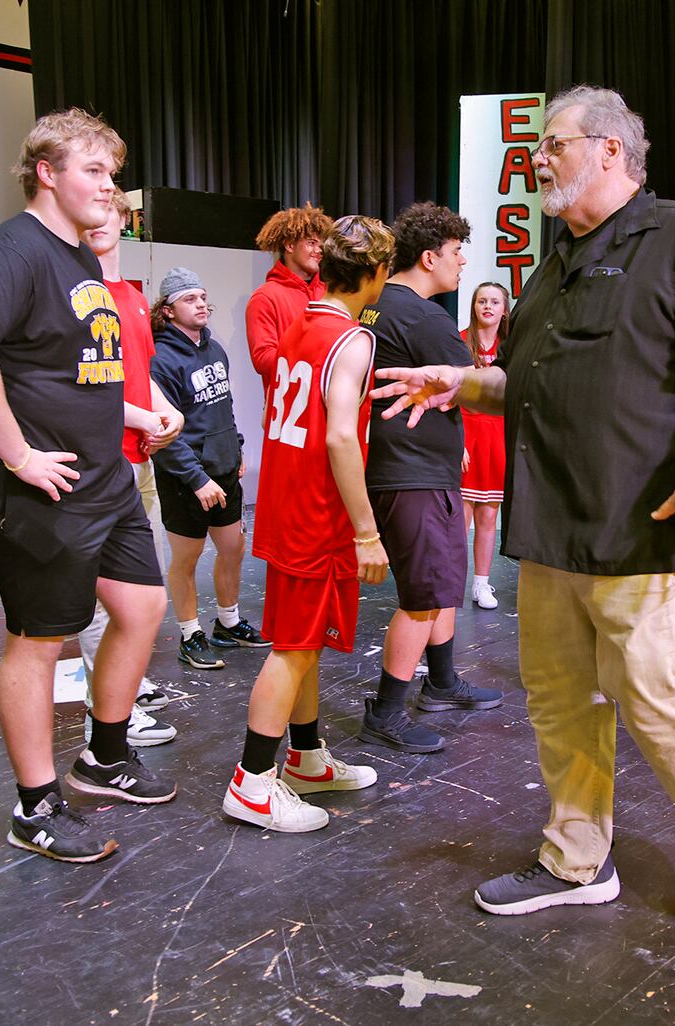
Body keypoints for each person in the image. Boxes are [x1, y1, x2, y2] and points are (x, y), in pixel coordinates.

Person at [374, 86, 675, 915]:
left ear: (610, 151)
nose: (540, 159)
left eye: (554, 144)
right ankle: (577, 857)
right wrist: (462, 382)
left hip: (636, 518)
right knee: (559, 695)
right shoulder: (554, 265)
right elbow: (521, 383)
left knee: (642, 682)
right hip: (549, 523)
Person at [0, 109, 175, 866]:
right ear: (47, 171)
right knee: (37, 642)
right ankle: (34, 806)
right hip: (48, 487)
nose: (111, 187)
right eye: (95, 171)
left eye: (112, 172)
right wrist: (18, 457)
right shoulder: (17, 248)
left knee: (142, 606)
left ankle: (102, 756)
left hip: (104, 477)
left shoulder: (81, 260)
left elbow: (64, 370)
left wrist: (137, 410)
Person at [222, 215, 394, 833]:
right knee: (293, 648)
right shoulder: (353, 339)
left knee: (306, 640)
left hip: (285, 499)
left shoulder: (298, 316)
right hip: (317, 512)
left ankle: (306, 757)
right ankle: (251, 784)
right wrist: (367, 530)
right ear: (375, 274)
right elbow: (343, 435)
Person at [359, 203, 502, 756]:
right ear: (428, 256)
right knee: (422, 595)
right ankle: (387, 712)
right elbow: (479, 385)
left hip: (411, 466)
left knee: (439, 582)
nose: (463, 263)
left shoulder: (376, 307)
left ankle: (441, 682)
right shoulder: (424, 316)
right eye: (456, 252)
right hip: (412, 472)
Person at [76, 188, 184, 743]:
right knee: (107, 596)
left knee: (141, 588)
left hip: (138, 462)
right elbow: (80, 387)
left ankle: (123, 684)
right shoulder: (75, 297)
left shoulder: (134, 298)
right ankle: (106, 710)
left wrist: (167, 415)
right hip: (98, 463)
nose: (99, 221)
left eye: (110, 212)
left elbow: (140, 374)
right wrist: (146, 417)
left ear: (125, 220)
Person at [149, 267, 269, 670]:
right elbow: (163, 433)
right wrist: (197, 478)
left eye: (202, 297)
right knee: (186, 559)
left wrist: (235, 449)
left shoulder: (214, 350)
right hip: (186, 478)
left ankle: (228, 623)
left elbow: (222, 407)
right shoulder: (160, 360)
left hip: (222, 469)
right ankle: (189, 634)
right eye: (189, 299)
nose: (201, 305)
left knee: (233, 549)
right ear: (168, 311)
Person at [246, 203, 334, 416]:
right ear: (289, 246)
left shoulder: (330, 290)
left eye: (321, 244)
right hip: (289, 416)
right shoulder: (265, 297)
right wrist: (314, 352)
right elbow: (263, 359)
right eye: (311, 243)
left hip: (329, 407)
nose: (319, 250)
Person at [461, 281, 510, 610]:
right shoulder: (459, 340)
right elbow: (449, 396)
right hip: (466, 433)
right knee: (460, 519)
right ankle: (452, 583)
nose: (488, 307)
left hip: (499, 436)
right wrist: (456, 442)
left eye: (494, 301)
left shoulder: (513, 346)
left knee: (489, 515)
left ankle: (481, 584)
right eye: (482, 301)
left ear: (504, 310)